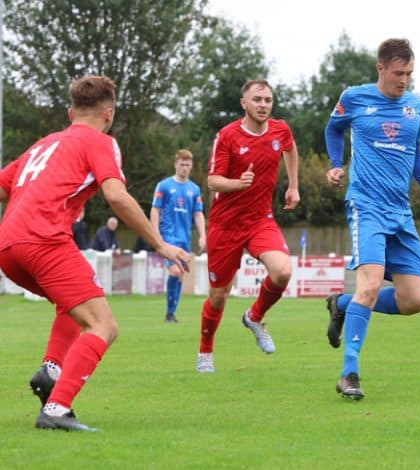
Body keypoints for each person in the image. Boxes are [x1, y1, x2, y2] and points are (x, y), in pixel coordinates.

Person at [0, 75, 191, 431]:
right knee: (103, 325)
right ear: (109, 112)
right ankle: (56, 409)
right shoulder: (101, 142)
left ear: (71, 112)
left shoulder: (42, 145)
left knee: (72, 304)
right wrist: (161, 244)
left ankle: (51, 370)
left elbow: (1, 186)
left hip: (8, 247)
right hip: (43, 241)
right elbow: (116, 196)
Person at [323, 38, 420, 400]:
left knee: (415, 299)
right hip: (365, 206)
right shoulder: (354, 98)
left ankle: (341, 304)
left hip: (400, 212)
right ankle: (348, 373)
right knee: (368, 287)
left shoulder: (415, 106)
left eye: (410, 73)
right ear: (380, 68)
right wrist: (337, 164)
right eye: (399, 73)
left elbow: (415, 152)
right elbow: (333, 127)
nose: (404, 80)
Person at [196, 78, 300, 373]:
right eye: (257, 99)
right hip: (225, 226)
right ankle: (205, 351)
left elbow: (291, 150)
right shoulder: (228, 136)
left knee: (282, 271)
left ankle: (254, 317)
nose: (263, 105)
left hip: (259, 220)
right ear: (244, 103)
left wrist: (293, 186)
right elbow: (212, 181)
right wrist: (237, 183)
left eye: (268, 100)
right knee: (218, 297)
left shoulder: (281, 130)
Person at [151, 149, 206, 323]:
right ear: (175, 164)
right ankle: (169, 313)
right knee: (175, 271)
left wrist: (203, 235)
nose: (184, 168)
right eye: (181, 164)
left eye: (187, 165)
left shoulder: (194, 189)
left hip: (184, 238)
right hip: (168, 236)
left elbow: (198, 213)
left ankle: (171, 313)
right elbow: (155, 209)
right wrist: (155, 233)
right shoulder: (164, 185)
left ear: (191, 167)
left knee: (180, 274)